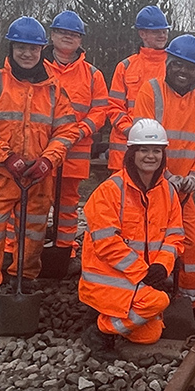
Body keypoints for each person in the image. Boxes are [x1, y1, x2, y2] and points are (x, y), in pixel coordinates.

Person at [0, 16, 78, 339]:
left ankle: (23, 291)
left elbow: (67, 130)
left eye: (33, 48)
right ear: (12, 47)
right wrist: (5, 156)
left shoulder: (53, 89)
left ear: (42, 50)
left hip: (37, 180)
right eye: (21, 47)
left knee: (31, 242)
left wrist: (47, 161)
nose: (27, 54)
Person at [79, 119, 185, 356]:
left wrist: (161, 266)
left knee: (149, 335)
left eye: (156, 151)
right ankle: (101, 330)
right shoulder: (110, 191)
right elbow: (107, 243)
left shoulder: (167, 191)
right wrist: (143, 272)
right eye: (144, 150)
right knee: (158, 302)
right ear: (132, 153)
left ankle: (106, 318)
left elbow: (175, 235)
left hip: (142, 278)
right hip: (110, 279)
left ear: (163, 155)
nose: (150, 156)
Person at [134, 34, 195, 312]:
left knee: (193, 246)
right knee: (149, 242)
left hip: (185, 191)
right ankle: (145, 295)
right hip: (152, 186)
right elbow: (143, 141)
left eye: (190, 67)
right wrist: (166, 176)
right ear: (169, 63)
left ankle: (190, 301)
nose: (183, 71)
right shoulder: (151, 91)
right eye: (179, 65)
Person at [40, 10, 109, 271]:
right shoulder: (39, 67)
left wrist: (80, 131)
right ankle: (27, 253)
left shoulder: (92, 75)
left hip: (75, 155)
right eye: (62, 33)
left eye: (74, 34)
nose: (68, 38)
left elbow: (100, 111)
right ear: (52, 35)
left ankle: (63, 254)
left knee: (67, 207)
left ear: (80, 40)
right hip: (41, 150)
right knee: (36, 203)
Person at [107, 6, 170, 172]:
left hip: (159, 148)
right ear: (142, 34)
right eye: (157, 31)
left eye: (164, 31)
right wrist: (131, 131)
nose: (162, 35)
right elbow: (114, 107)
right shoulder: (125, 66)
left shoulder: (173, 67)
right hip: (125, 148)